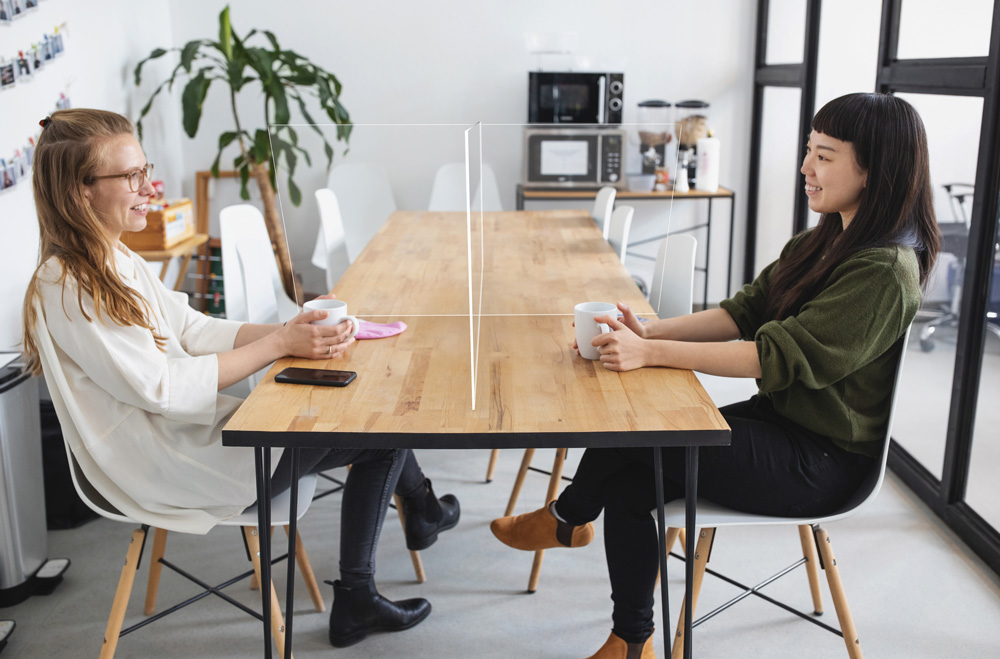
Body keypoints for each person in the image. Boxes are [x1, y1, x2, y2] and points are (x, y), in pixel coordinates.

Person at [491, 92, 941, 659]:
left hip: (823, 462)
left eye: (824, 156)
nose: (805, 167)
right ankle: (628, 637)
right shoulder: (824, 239)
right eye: (808, 151)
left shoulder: (883, 271)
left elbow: (772, 355)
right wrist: (651, 332)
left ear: (877, 171)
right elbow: (745, 311)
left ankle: (569, 519)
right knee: (633, 476)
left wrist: (652, 355)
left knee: (639, 441)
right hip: (782, 424)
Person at [21, 108, 459, 649]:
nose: (149, 186)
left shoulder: (109, 257)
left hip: (187, 441)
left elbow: (192, 326)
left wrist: (289, 328)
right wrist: (280, 344)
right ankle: (368, 585)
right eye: (130, 176)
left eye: (145, 169)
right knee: (383, 433)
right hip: (172, 465)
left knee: (360, 408)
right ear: (78, 191)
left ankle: (421, 513)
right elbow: (162, 389)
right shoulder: (68, 284)